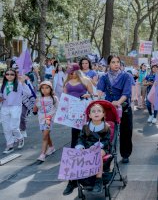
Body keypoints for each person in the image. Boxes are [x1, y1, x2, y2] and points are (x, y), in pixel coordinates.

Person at [62, 63, 94, 196]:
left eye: (73, 71)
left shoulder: (86, 80)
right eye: (69, 72)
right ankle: (72, 181)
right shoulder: (67, 82)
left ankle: (89, 177)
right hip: (72, 118)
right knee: (74, 146)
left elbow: (95, 96)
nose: (71, 74)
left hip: (85, 117)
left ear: (77, 71)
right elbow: (64, 100)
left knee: (87, 145)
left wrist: (88, 96)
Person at [97, 55, 133, 164]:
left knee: (126, 132)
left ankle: (125, 154)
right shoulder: (104, 77)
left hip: (124, 107)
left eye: (118, 62)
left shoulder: (126, 76)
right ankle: (107, 153)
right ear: (109, 64)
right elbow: (99, 91)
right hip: (109, 108)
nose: (116, 64)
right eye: (113, 62)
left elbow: (126, 93)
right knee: (108, 132)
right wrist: (92, 97)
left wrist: (118, 102)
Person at [75, 103, 111, 192]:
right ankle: (72, 180)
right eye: (93, 111)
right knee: (74, 154)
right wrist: (80, 146)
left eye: (99, 111)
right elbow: (81, 138)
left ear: (103, 114)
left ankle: (99, 180)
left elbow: (106, 140)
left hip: (101, 148)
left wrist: (97, 146)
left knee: (97, 154)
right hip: (87, 147)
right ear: (90, 115)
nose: (96, 113)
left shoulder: (106, 127)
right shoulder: (86, 127)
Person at [0, 68, 30, 153]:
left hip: (15, 107)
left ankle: (20, 138)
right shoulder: (3, 84)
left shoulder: (19, 84)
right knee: (6, 128)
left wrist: (23, 83)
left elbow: (28, 93)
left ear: (15, 75)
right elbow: (1, 95)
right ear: (5, 75)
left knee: (14, 127)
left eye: (12, 74)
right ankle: (10, 145)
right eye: (7, 74)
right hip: (5, 108)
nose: (9, 76)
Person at [33, 81, 58, 162]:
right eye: (42, 88)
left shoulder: (54, 98)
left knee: (44, 136)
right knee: (46, 135)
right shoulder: (39, 99)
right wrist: (35, 106)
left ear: (50, 89)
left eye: (47, 88)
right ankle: (51, 147)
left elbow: (59, 108)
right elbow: (35, 109)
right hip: (41, 119)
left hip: (49, 119)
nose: (44, 90)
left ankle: (42, 154)